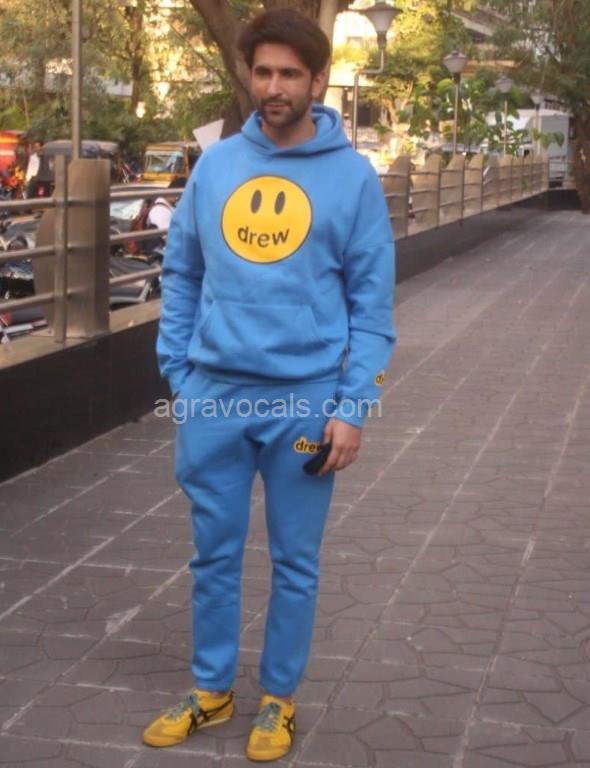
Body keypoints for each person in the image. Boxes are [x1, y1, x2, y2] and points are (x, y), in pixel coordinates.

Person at [144, 8, 396, 762]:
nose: (275, 86)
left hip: (305, 403)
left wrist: (353, 407)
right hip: (214, 398)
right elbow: (181, 273)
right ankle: (212, 689)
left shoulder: (352, 178)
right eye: (263, 72)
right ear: (248, 76)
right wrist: (180, 375)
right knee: (212, 556)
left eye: (290, 73)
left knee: (295, 561)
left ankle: (278, 699)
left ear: (318, 81)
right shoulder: (217, 166)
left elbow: (373, 309)